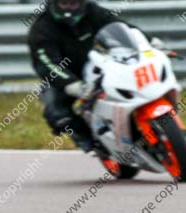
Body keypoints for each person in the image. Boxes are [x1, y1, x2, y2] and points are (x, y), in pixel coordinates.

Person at [28, 0, 164, 154]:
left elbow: (121, 27)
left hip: (101, 65)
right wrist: (71, 84)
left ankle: (142, 124)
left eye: (73, 4)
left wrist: (149, 40)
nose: (69, 9)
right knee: (56, 112)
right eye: (64, 4)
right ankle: (89, 140)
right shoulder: (41, 28)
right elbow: (46, 62)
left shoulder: (93, 12)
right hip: (66, 77)